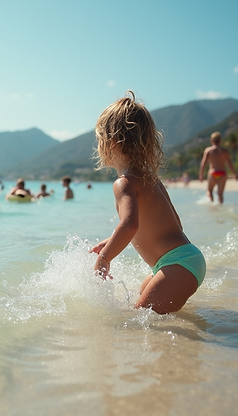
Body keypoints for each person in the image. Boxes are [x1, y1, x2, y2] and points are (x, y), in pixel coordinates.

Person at [91, 92, 206, 314]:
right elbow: (171, 224)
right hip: (183, 260)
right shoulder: (149, 179)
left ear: (111, 143)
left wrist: (104, 259)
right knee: (138, 309)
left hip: (176, 266)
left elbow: (129, 225)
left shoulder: (123, 183)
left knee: (139, 322)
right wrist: (111, 240)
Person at [199, 131, 237, 204]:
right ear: (220, 141)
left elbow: (203, 163)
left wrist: (201, 174)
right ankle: (220, 208)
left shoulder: (208, 150)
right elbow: (230, 164)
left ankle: (212, 207)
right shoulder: (225, 151)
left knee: (209, 192)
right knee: (220, 194)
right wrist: (235, 173)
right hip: (222, 174)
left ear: (211, 140)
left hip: (213, 173)